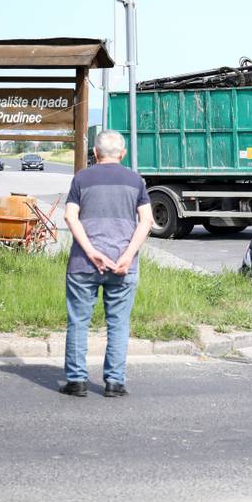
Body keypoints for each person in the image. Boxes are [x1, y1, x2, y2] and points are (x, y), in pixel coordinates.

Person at [58, 130, 152, 398]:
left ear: (95, 154)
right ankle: (114, 382)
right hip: (123, 266)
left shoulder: (81, 178)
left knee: (78, 322)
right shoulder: (136, 181)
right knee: (119, 323)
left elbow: (69, 216)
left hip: (82, 265)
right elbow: (146, 221)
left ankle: (76, 381)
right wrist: (127, 256)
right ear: (122, 154)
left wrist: (91, 251)